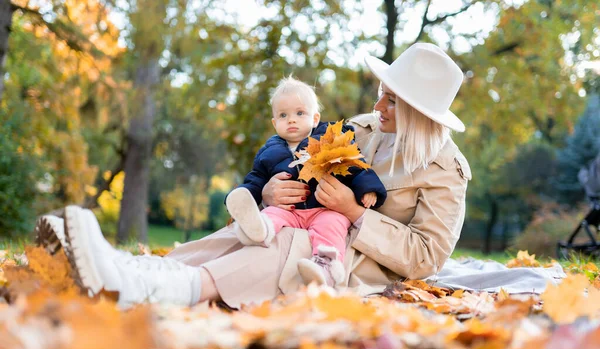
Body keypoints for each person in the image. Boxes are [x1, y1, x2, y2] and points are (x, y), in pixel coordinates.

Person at [37, 42, 471, 310]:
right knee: (259, 230)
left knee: (288, 244)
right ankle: (134, 269)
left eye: (392, 102)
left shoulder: (445, 172)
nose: (379, 107)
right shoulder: (363, 127)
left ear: (418, 113)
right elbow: (301, 158)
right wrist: (270, 191)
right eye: (381, 94)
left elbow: (428, 256)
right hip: (311, 219)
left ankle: (172, 289)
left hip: (363, 260)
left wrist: (355, 212)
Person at [225, 76, 386, 287]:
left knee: (332, 225)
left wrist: (369, 188)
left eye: (300, 113)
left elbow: (355, 164)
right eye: (283, 115)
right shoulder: (268, 152)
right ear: (275, 123)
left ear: (315, 118)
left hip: (324, 209)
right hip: (289, 211)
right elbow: (256, 179)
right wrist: (244, 195)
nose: (291, 119)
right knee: (271, 214)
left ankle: (326, 266)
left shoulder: (330, 140)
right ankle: (257, 229)